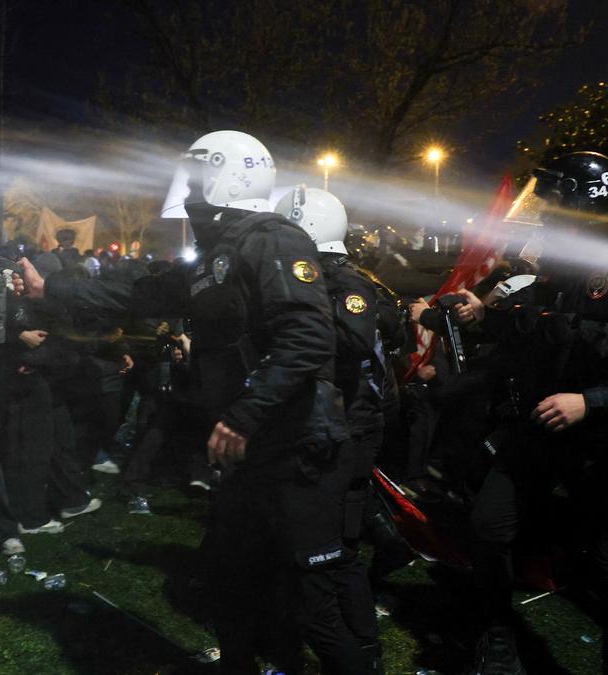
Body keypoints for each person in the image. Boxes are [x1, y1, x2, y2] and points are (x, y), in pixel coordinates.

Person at [19, 130, 367, 674]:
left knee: (313, 605)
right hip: (249, 453)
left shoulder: (272, 238)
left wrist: (243, 414)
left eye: (201, 174)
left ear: (231, 176)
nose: (192, 188)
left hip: (296, 448)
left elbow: (308, 337)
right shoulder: (218, 255)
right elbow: (139, 294)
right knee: (230, 585)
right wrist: (52, 291)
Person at [463, 152, 608, 675]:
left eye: (553, 197)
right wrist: (486, 314)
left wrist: (591, 402)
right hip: (544, 430)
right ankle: (498, 638)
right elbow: (549, 325)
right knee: (487, 526)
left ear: (583, 201)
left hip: (607, 444)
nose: (543, 209)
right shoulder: (569, 260)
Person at [275, 185, 386, 672]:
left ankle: (363, 652)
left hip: (348, 429)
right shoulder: (327, 278)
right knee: (333, 550)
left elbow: (350, 345)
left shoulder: (346, 283)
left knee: (337, 552)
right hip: (339, 425)